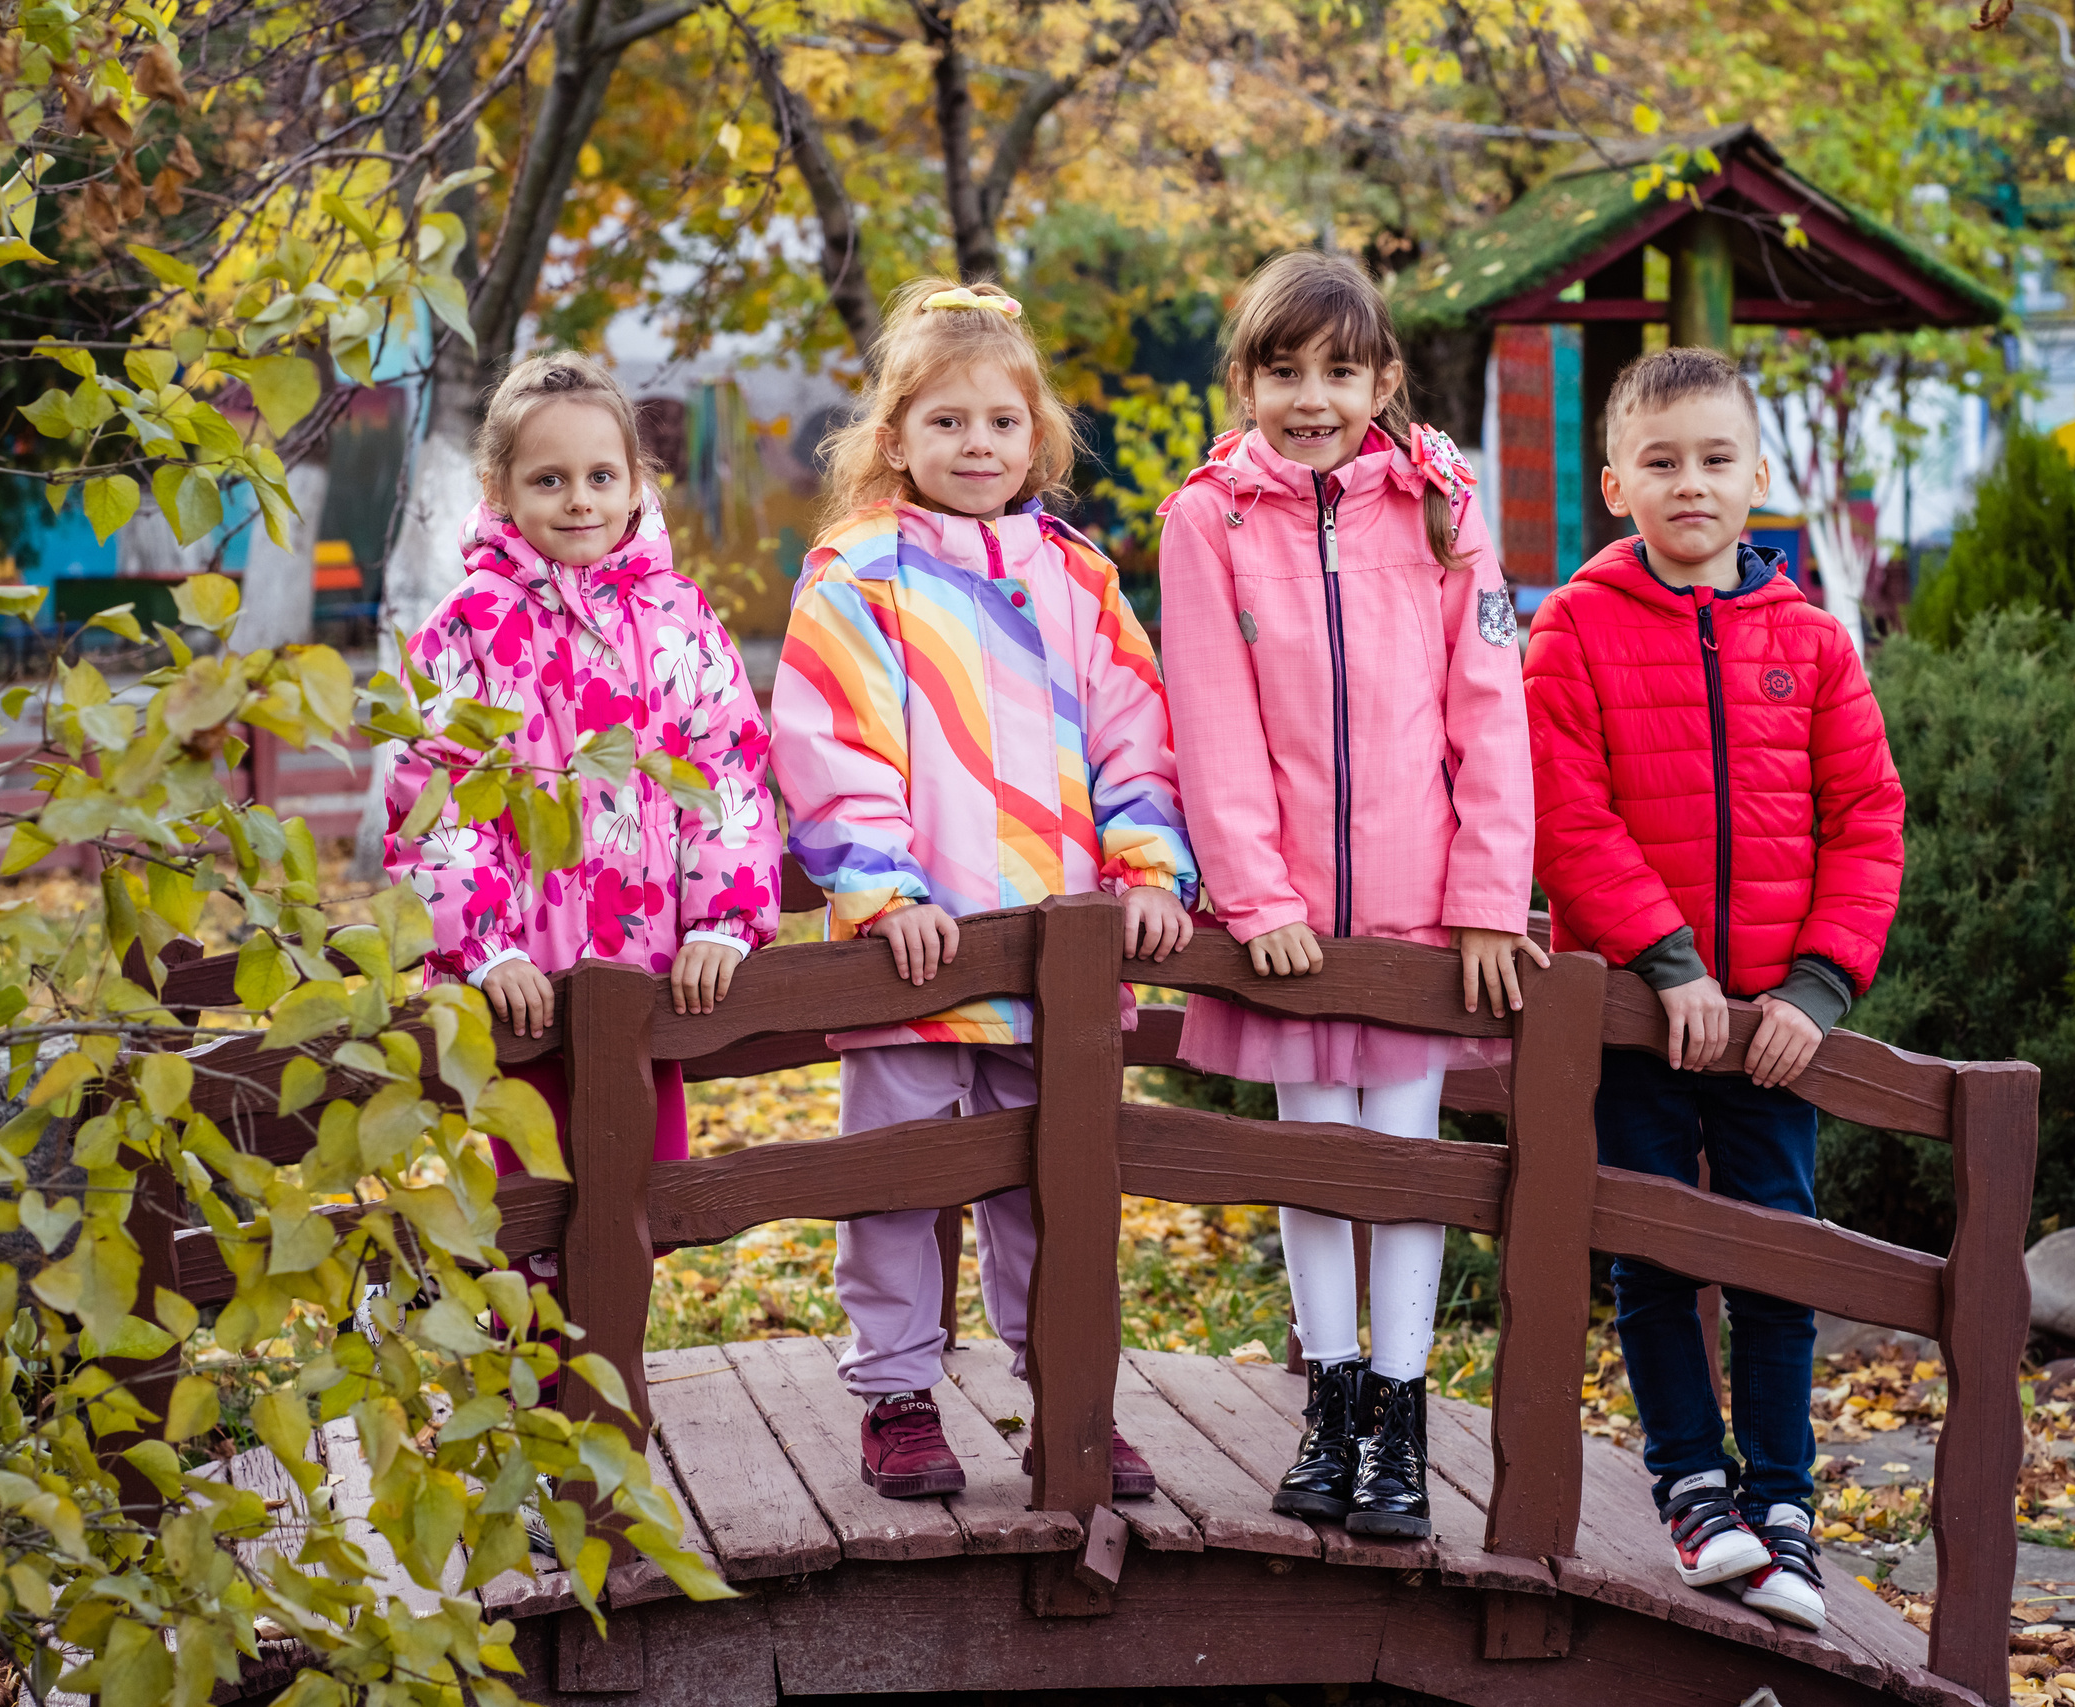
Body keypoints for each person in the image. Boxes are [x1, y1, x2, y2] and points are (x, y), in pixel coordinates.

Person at [771, 278, 1198, 1501]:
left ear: (1037, 437)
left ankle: (1064, 1386)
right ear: (894, 437)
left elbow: (1134, 733)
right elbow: (832, 741)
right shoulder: (859, 574)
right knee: (897, 1175)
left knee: (1054, 1177)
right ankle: (897, 1394)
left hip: (1059, 955)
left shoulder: (1078, 579)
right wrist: (883, 891)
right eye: (947, 421)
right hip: (920, 945)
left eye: (1002, 422)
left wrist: (1146, 867)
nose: (977, 445)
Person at [1156, 250, 1541, 1540]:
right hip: (1290, 930)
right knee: (1314, 1159)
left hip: (1422, 913)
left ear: (1383, 381)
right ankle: (1329, 1405)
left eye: (1338, 371)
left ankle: (1401, 1414)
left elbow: (1489, 711)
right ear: (1246, 382)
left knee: (1407, 1162)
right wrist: (1256, 899)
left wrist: (1488, 899)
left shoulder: (1439, 510)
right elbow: (1209, 719)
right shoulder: (1206, 520)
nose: (1310, 398)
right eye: (1282, 372)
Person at [1524, 345, 1905, 1631]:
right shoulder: (1573, 628)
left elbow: (1867, 818)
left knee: (1775, 1254)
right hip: (1641, 1015)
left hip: (1775, 1033)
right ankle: (1693, 1487)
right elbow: (1564, 813)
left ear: (1755, 477)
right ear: (1615, 484)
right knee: (1648, 1251)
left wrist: (1815, 989)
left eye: (1715, 459)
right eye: (1662, 461)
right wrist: (1665, 962)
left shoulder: (1811, 640)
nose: (1690, 483)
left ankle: (1784, 1506)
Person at [386, 351, 780, 1296]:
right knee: (531, 1211)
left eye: (602, 476)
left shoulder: (678, 617)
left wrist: (722, 920)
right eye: (549, 479)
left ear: (636, 481)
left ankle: (612, 1367)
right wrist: (483, 948)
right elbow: (437, 794)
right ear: (500, 488)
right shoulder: (468, 627)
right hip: (524, 990)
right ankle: (533, 1369)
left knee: (642, 1200)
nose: (579, 501)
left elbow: (726, 768)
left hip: (647, 981)